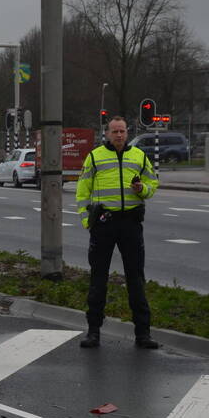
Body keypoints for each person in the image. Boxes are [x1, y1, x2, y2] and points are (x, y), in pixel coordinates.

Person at [76, 116, 160, 349]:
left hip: (131, 224)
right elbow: (83, 190)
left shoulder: (139, 156)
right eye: (115, 131)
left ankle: (143, 334)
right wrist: (87, 221)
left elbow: (153, 184)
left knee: (136, 279)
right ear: (107, 134)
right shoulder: (95, 157)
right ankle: (93, 331)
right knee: (98, 279)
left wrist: (142, 188)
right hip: (104, 223)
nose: (119, 135)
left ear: (127, 132)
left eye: (122, 131)